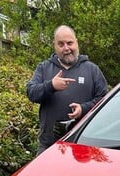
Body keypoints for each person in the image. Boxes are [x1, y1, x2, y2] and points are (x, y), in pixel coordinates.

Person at [27, 25, 108, 155]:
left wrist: (83, 108)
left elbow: (104, 101)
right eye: (61, 44)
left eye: (69, 43)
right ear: (55, 45)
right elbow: (31, 93)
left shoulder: (92, 70)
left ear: (76, 42)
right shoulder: (44, 68)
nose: (66, 48)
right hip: (49, 146)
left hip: (83, 147)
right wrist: (51, 86)